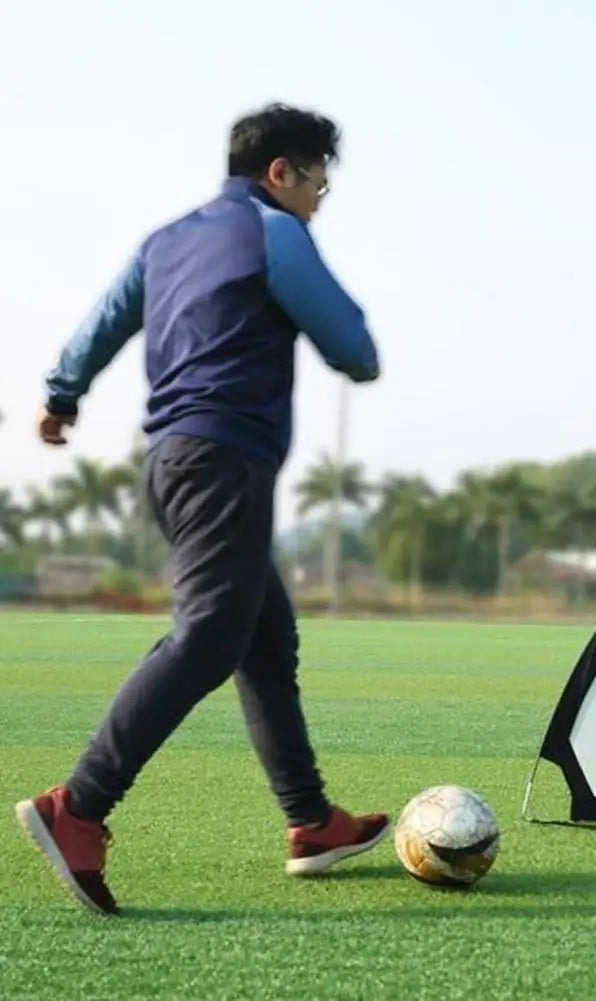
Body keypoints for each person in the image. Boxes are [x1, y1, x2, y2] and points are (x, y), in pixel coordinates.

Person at [14, 103, 390, 917]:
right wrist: (358, 353)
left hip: (172, 458)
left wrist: (60, 398)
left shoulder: (163, 241)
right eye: (318, 177)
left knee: (263, 638)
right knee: (212, 632)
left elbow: (98, 327)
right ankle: (76, 806)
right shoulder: (271, 229)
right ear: (280, 172)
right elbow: (352, 346)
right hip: (226, 457)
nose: (322, 194)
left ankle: (311, 821)